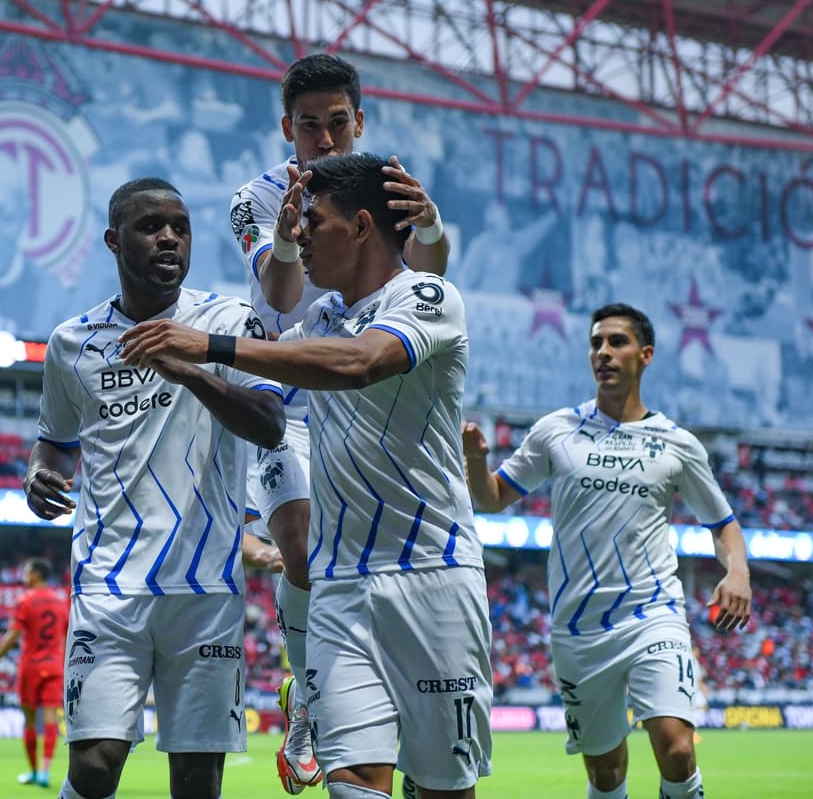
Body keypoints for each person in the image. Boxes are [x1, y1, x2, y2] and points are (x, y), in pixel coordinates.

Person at [123, 153, 492, 799]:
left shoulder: (427, 296)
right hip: (339, 588)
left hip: (432, 576)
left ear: (360, 226)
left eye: (311, 221)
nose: (295, 233)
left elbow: (361, 362)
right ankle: (303, 704)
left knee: (442, 790)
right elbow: (266, 374)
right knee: (351, 783)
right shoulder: (317, 320)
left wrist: (206, 346)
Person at [229, 53, 451, 793]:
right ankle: (310, 702)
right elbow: (279, 298)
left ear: (360, 121)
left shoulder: (383, 186)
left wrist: (432, 222)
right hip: (284, 387)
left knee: (361, 556)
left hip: (360, 392)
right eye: (307, 126)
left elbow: (430, 277)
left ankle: (377, 708)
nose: (322, 140)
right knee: (296, 546)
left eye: (335, 123)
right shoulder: (254, 199)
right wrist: (291, 235)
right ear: (286, 129)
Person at [25, 177, 286, 799]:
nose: (169, 236)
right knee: (93, 766)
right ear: (115, 240)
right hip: (108, 580)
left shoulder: (227, 320)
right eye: (150, 226)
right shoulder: (72, 344)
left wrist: (190, 370)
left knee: (197, 781)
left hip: (205, 587)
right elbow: (56, 442)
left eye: (180, 226)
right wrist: (40, 475)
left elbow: (270, 424)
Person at [461, 303, 753, 799]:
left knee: (678, 749)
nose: (603, 352)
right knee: (606, 774)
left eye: (616, 342)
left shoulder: (678, 444)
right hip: (578, 629)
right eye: (596, 343)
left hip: (653, 614)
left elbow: (722, 524)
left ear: (646, 355)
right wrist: (475, 460)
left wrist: (738, 572)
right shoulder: (556, 430)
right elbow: (490, 499)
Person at [0, 558, 71, 788]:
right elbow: (66, 636)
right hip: (55, 666)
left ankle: (34, 771)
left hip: (30, 666)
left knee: (29, 721)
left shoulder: (25, 600)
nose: (23, 576)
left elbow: (12, 635)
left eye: (27, 572)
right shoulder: (60, 602)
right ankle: (46, 772)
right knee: (50, 719)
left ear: (36, 575)